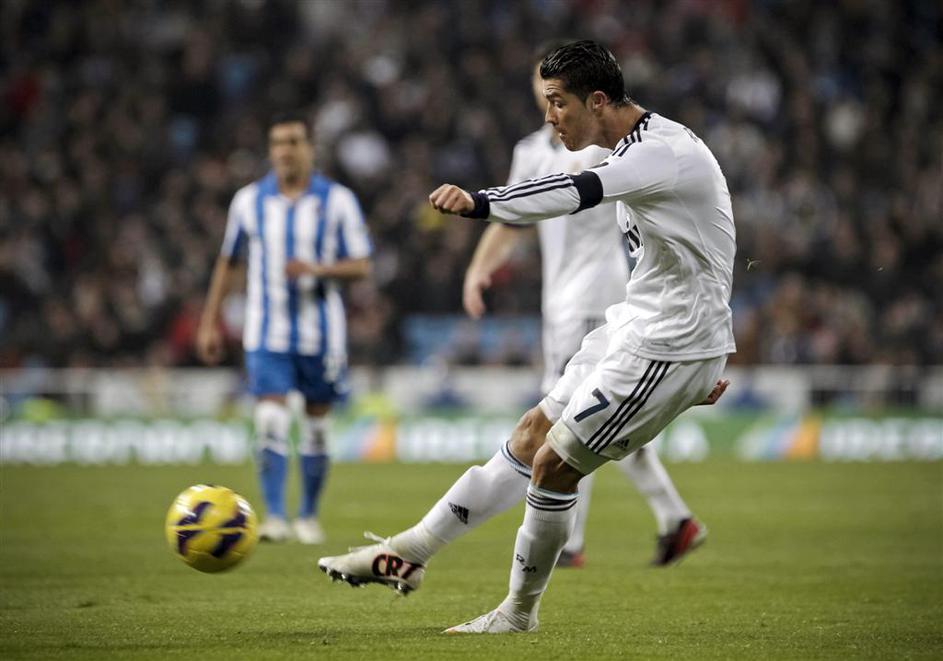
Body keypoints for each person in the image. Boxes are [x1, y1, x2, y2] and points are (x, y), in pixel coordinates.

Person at [318, 40, 733, 634]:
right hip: (638, 325)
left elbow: (574, 192)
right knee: (530, 434)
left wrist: (480, 202)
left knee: (554, 465)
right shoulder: (641, 147)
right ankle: (408, 552)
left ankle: (517, 614)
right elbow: (704, 243)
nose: (550, 115)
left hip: (669, 341)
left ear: (597, 100)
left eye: (559, 102)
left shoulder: (656, 153)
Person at [463, 46, 706, 568]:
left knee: (569, 413)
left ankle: (569, 541)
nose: (546, 96)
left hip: (599, 293)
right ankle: (675, 518)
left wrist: (480, 203)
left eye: (554, 89)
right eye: (540, 85)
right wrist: (478, 268)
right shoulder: (531, 150)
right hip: (559, 298)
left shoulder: (601, 145)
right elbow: (514, 217)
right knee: (602, 411)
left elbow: (573, 192)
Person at [197, 111, 372, 544]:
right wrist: (209, 322)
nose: (284, 151)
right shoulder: (248, 201)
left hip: (322, 335)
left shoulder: (338, 200)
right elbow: (228, 262)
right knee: (270, 418)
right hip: (265, 331)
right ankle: (274, 516)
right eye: (277, 143)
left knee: (316, 428)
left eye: (293, 141)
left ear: (309, 148)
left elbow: (361, 265)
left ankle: (307, 515)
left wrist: (317, 269)